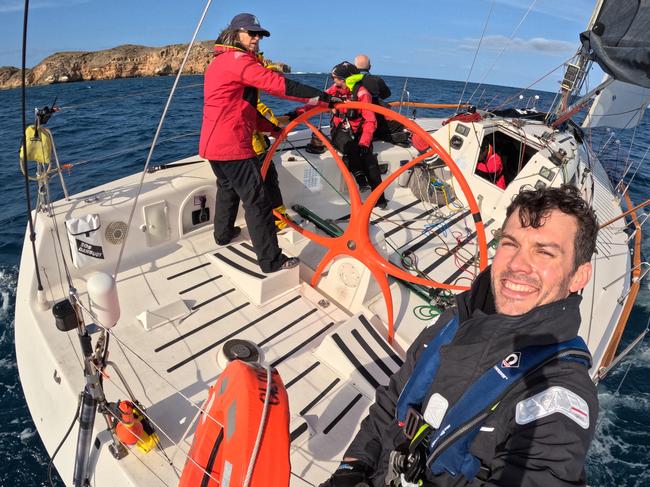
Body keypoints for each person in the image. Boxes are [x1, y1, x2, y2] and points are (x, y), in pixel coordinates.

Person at [321, 185, 599, 486]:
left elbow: (542, 472)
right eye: (510, 244)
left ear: (579, 276)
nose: (518, 265)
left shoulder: (558, 388)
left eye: (544, 252)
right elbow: (392, 399)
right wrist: (351, 469)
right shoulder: (457, 319)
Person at [199, 13, 337, 272]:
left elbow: (243, 110)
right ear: (235, 34)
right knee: (258, 200)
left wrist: (272, 128)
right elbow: (277, 85)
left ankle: (224, 235)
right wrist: (321, 98)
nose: (256, 39)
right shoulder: (237, 61)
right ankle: (271, 260)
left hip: (212, 144)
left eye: (259, 35)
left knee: (228, 188)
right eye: (251, 34)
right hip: (232, 145)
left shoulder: (220, 61)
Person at [291, 61, 388, 208]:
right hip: (340, 129)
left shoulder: (362, 93)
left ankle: (380, 199)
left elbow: (370, 120)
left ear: (346, 79)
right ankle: (361, 180)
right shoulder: (333, 90)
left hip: (360, 131)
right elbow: (315, 103)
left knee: (369, 159)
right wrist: (296, 113)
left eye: (336, 78)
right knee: (351, 149)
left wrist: (365, 142)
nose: (334, 81)